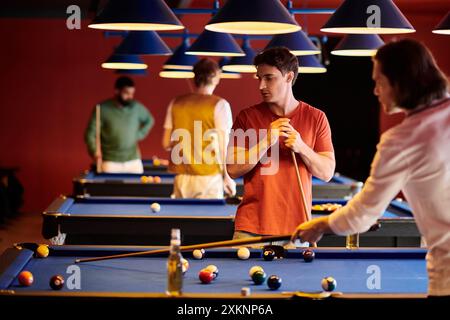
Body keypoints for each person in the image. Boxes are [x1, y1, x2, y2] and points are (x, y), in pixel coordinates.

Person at [292, 39, 450, 297]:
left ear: (400, 83)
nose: (375, 91)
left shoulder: (402, 140)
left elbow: (363, 214)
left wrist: (321, 226)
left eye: (379, 82)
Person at [226, 47, 336, 241]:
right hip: (250, 229)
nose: (261, 85)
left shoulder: (316, 117)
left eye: (269, 78)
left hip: (298, 230)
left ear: (288, 77)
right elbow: (233, 169)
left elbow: (326, 173)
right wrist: (266, 140)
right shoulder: (246, 117)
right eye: (259, 78)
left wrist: (302, 147)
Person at [162, 58, 236, 198]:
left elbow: (166, 144)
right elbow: (223, 145)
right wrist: (228, 177)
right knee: (208, 220)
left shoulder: (175, 103)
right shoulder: (220, 105)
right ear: (215, 77)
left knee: (182, 220)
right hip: (209, 179)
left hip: (181, 179)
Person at [85, 76, 154, 174]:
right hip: (110, 161)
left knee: (138, 189)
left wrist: (138, 135)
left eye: (132, 93)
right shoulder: (102, 109)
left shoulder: (136, 107)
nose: (130, 97)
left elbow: (149, 120)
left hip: (133, 161)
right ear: (117, 91)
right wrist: (94, 151)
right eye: (126, 93)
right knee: (110, 190)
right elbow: (90, 134)